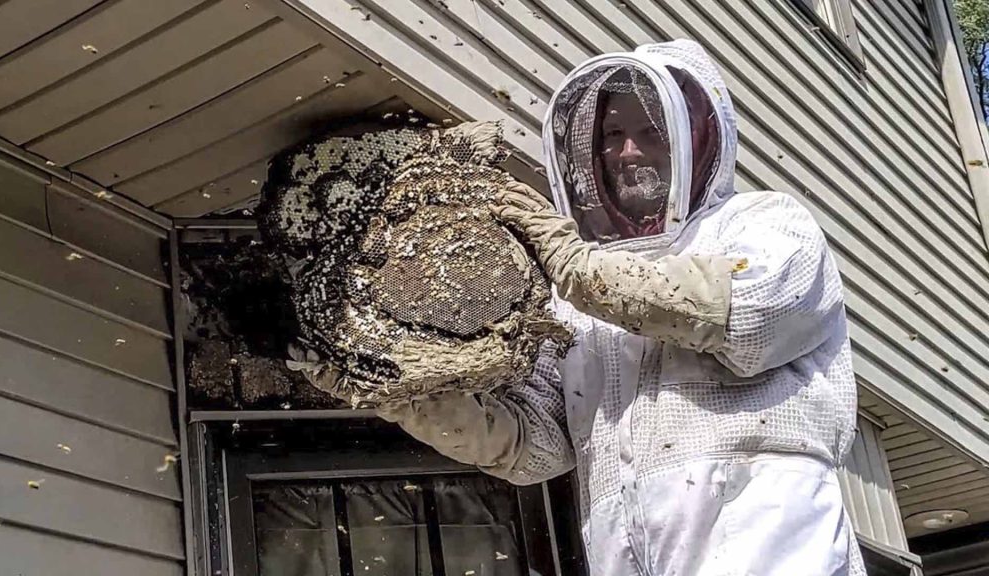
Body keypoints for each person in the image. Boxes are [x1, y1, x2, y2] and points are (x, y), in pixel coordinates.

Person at [297, 39, 864, 576]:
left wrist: (569, 262)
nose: (628, 151)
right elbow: (534, 444)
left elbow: (747, 312)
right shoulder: (579, 304)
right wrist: (397, 388)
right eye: (611, 134)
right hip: (622, 536)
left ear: (698, 139)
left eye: (650, 132)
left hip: (763, 522)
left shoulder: (762, 223)